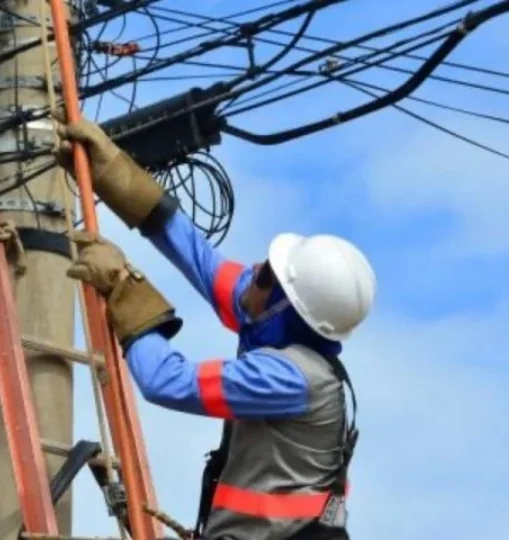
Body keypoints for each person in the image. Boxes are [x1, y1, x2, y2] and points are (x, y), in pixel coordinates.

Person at [55, 118, 377, 540]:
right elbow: (198, 255)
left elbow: (166, 381)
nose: (254, 271)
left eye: (267, 277)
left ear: (287, 308)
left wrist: (123, 288)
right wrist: (113, 173)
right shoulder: (271, 320)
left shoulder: (291, 378)